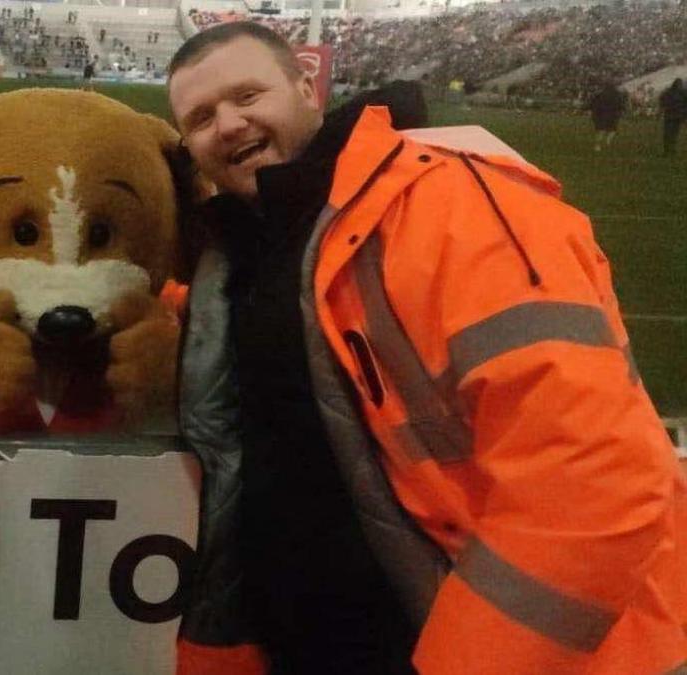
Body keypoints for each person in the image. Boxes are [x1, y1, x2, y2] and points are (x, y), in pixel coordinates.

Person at [167, 21, 687, 675]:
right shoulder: (246, 250)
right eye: (201, 117)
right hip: (315, 638)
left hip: (493, 648)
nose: (229, 124)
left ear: (308, 89)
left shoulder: (452, 206)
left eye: (247, 95)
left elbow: (591, 476)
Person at [588, 82, 625, 152]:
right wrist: (621, 111)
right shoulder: (618, 94)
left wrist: (593, 113)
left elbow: (594, 104)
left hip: (602, 114)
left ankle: (597, 145)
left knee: (601, 130)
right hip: (613, 115)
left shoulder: (600, 94)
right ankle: (608, 141)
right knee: (613, 130)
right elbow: (621, 104)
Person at [659, 78, 687, 157]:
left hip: (674, 116)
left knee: (672, 134)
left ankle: (670, 150)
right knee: (669, 134)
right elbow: (662, 100)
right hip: (673, 116)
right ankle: (668, 150)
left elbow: (662, 100)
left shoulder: (681, 93)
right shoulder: (676, 92)